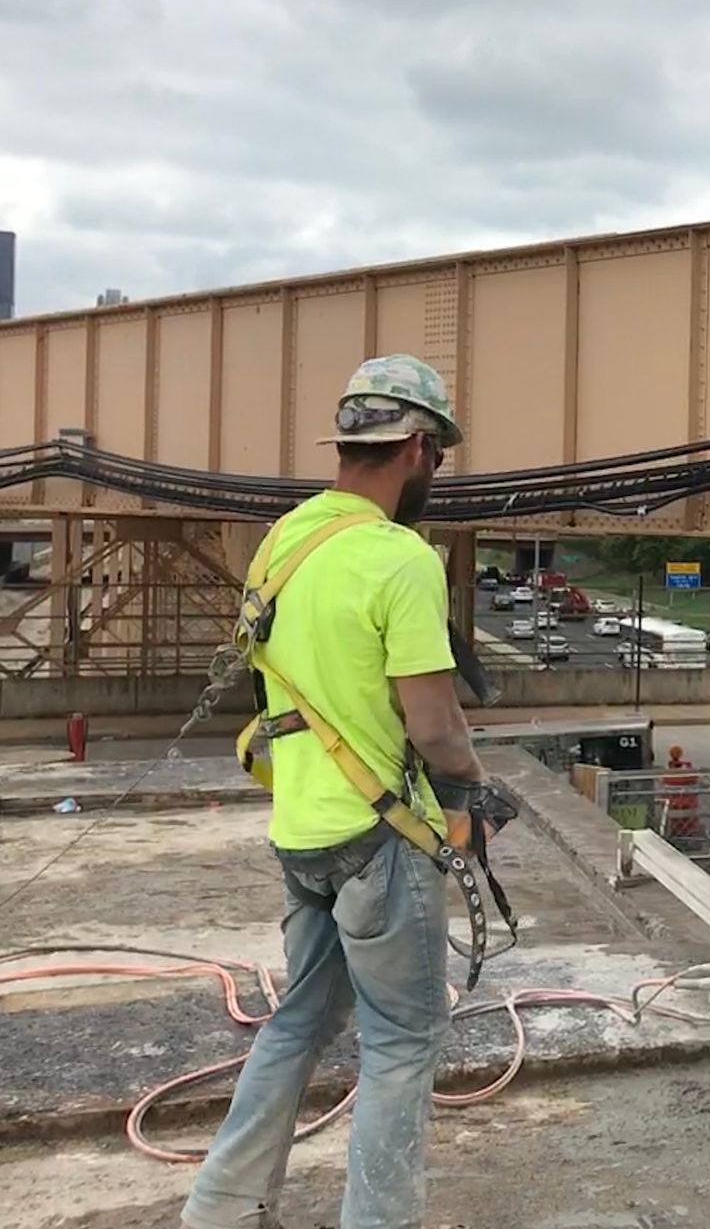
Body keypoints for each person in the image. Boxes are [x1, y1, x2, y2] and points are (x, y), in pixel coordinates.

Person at [183, 353, 485, 1229]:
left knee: (298, 1022)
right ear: (419, 449)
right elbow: (434, 727)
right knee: (401, 1046)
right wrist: (470, 793)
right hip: (383, 844)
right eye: (438, 458)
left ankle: (222, 1208)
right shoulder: (399, 557)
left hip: (304, 832)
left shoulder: (283, 541)